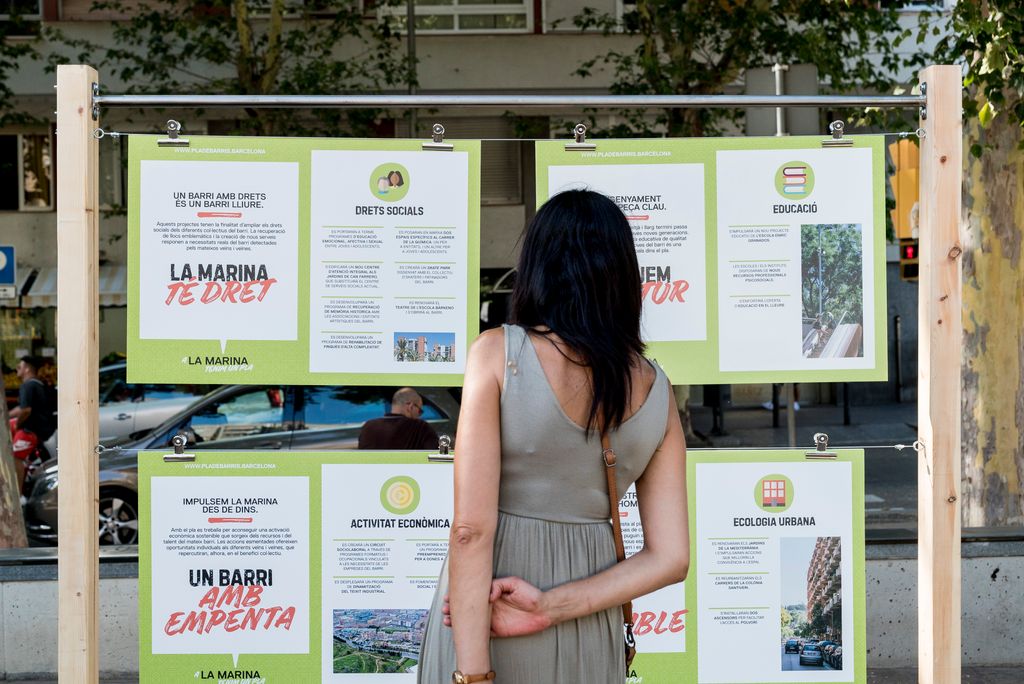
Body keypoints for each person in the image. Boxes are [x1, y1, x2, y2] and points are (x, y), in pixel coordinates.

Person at [417, 190, 689, 683]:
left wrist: (473, 673)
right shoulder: (656, 388)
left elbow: (470, 531)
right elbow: (671, 558)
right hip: (586, 617)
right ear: (624, 275)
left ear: (537, 266)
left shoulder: (498, 354)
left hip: (488, 614)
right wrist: (552, 608)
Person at [9, 356, 56, 489]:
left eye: (20, 366)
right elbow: (22, 408)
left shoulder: (27, 385)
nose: (17, 368)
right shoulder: (37, 383)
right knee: (10, 426)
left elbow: (26, 410)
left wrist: (18, 424)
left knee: (15, 457)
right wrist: (7, 416)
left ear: (27, 369)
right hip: (43, 428)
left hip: (31, 430)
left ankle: (17, 493)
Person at [357, 387, 439, 450]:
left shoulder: (368, 427)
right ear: (410, 406)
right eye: (420, 411)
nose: (419, 415)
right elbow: (433, 460)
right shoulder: (421, 428)